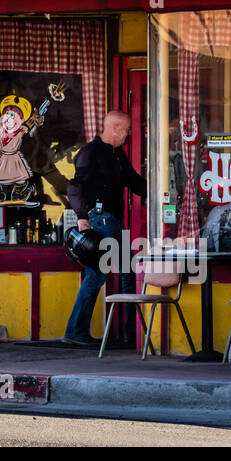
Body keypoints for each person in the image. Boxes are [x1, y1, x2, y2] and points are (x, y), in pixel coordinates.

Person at [63, 110, 146, 347]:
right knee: (120, 273)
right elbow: (75, 186)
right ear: (116, 128)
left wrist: (161, 191)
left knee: (103, 274)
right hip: (102, 219)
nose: (130, 134)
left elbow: (134, 181)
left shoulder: (117, 155)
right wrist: (82, 217)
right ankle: (132, 334)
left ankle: (78, 330)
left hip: (111, 220)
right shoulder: (91, 152)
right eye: (128, 129)